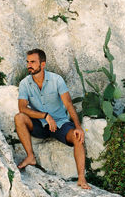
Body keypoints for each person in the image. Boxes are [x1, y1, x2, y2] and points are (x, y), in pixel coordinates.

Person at [14, 49, 91, 189]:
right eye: (28, 62)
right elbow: (22, 108)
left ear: (42, 64)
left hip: (60, 123)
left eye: (33, 62)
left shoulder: (56, 80)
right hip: (40, 124)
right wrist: (45, 116)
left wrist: (78, 127)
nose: (29, 65)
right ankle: (30, 156)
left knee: (77, 136)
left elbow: (68, 104)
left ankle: (81, 178)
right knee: (19, 117)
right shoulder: (25, 83)